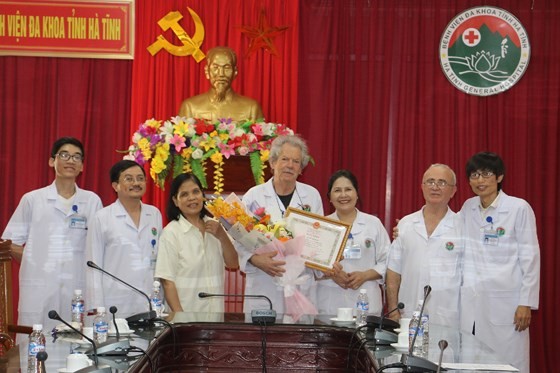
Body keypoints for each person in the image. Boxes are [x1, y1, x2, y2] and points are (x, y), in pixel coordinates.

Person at [2, 137, 102, 337]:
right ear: (52, 161)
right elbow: (8, 243)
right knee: (36, 354)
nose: (70, 160)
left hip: (78, 290)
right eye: (64, 155)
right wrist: (35, 260)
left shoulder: (92, 201)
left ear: (82, 166)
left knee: (77, 356)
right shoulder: (32, 200)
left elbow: (99, 246)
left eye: (76, 157)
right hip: (39, 291)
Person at [460, 152, 540, 373]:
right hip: (473, 304)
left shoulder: (518, 208)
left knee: (507, 364)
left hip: (508, 304)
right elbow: (449, 233)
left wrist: (526, 302)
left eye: (486, 174)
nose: (480, 180)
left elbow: (530, 257)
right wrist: (406, 228)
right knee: (472, 363)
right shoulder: (468, 207)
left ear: (499, 177)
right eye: (474, 175)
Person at [238, 134, 324, 314]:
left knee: (299, 340)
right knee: (263, 339)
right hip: (264, 283)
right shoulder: (253, 196)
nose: (290, 165)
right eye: (285, 159)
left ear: (301, 169)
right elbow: (238, 239)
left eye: (296, 161)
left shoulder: (311, 196)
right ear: (272, 163)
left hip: (301, 283)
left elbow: (319, 239)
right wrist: (255, 260)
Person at [386, 164, 463, 327]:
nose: (435, 187)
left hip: (447, 317)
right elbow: (393, 271)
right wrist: (393, 310)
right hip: (408, 312)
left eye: (442, 183)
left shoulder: (462, 226)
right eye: (430, 181)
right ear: (422, 187)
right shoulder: (406, 224)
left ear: (453, 191)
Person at [85, 160, 162, 318]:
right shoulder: (102, 217)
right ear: (115, 186)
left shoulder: (154, 214)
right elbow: (93, 265)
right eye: (129, 179)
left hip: (149, 300)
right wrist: (97, 308)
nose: (136, 183)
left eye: (140, 178)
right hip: (114, 302)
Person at [154, 173, 238, 313]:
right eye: (184, 194)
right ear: (175, 201)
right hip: (187, 317)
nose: (192, 198)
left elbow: (233, 264)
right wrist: (181, 319)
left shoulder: (215, 226)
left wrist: (222, 236)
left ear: (202, 195)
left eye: (196, 192)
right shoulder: (171, 233)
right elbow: (167, 282)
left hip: (215, 316)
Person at [317, 170, 390, 316]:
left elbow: (388, 261)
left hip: (367, 307)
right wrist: (332, 274)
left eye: (348, 189)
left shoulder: (373, 224)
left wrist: (365, 275)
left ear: (357, 194)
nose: (343, 195)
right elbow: (312, 265)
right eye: (337, 190)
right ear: (329, 197)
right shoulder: (322, 226)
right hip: (329, 307)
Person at [178, 46, 264, 122]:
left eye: (227, 68)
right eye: (215, 67)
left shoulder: (251, 108)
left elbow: (260, 139)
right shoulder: (190, 107)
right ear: (207, 71)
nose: (221, 74)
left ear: (235, 72)